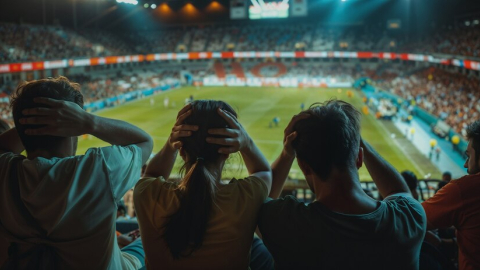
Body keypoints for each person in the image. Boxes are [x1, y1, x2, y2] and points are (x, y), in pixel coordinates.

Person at [0, 77, 153, 269]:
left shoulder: (5, 171)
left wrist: (29, 122)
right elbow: (145, 142)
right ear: (72, 123)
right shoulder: (99, 169)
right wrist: (89, 122)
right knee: (147, 242)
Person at [258, 100, 426, 269]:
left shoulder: (286, 224)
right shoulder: (409, 217)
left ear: (304, 166)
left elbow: (256, 203)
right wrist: (354, 139)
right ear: (359, 158)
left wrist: (287, 155)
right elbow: (399, 191)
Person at [134, 101, 272, 269]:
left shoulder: (147, 194)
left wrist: (170, 145)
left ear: (181, 150)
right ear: (228, 151)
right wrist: (247, 143)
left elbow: (152, 175)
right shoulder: (246, 197)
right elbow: (264, 172)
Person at [422, 120, 480, 270]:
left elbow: (411, 219)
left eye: (469, 156)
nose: (466, 165)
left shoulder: (464, 189)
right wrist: (446, 243)